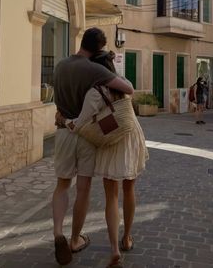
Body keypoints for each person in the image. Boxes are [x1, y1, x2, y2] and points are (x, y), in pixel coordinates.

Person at [56, 50, 148, 268]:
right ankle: (126, 238)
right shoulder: (124, 82)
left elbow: (80, 124)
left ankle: (115, 250)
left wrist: (64, 119)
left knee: (111, 196)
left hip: (110, 140)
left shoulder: (95, 92)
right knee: (129, 189)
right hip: (130, 134)